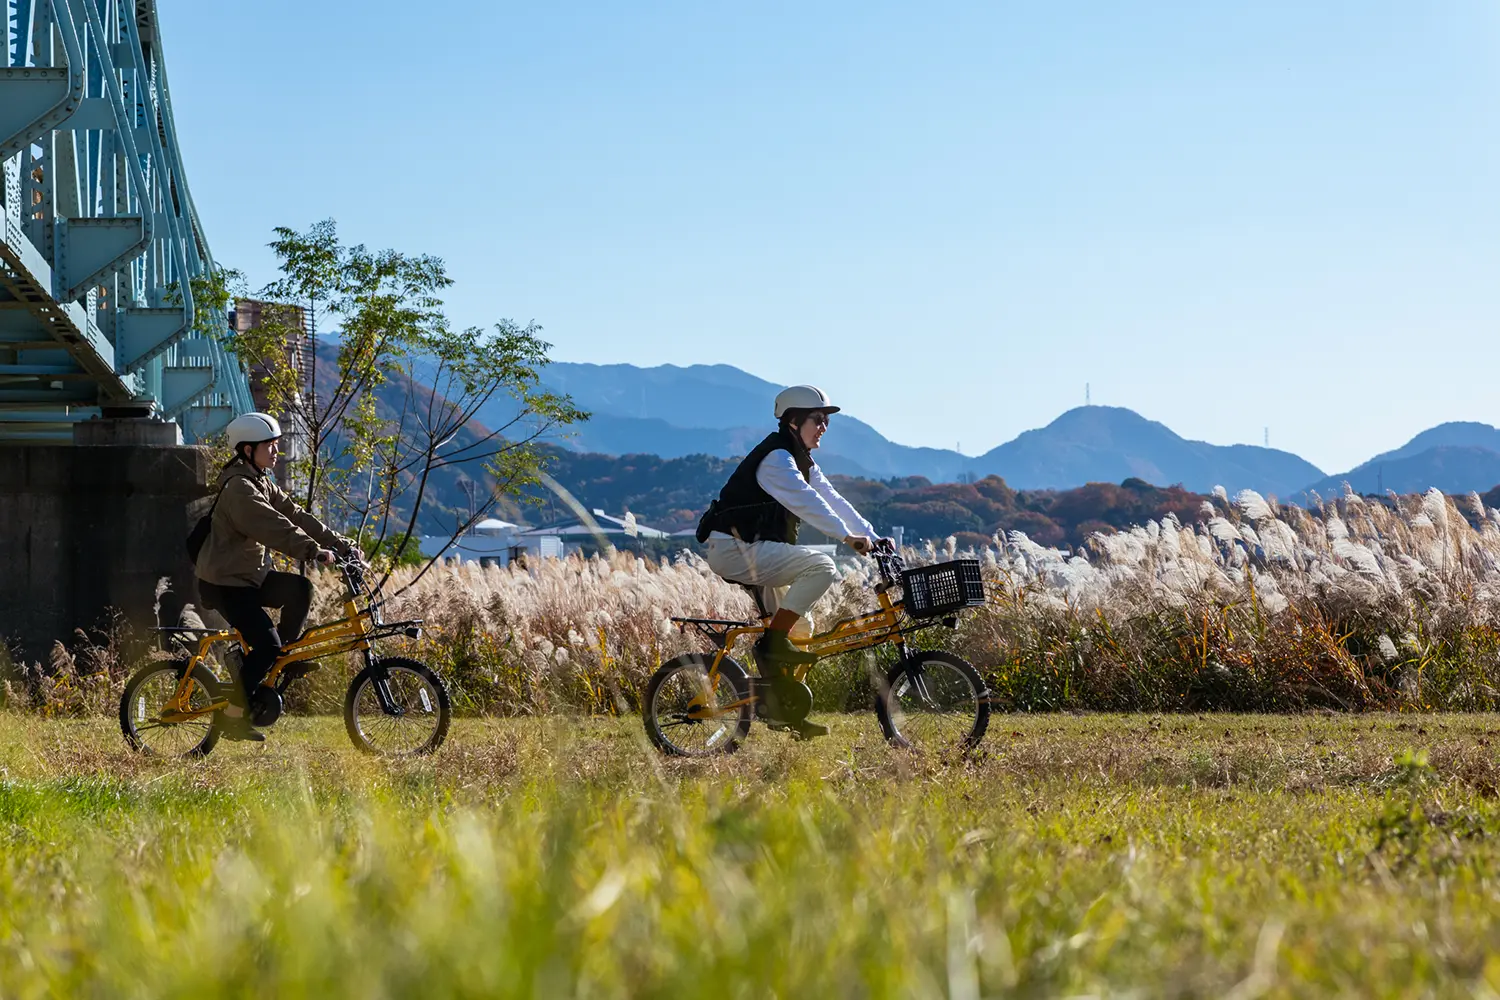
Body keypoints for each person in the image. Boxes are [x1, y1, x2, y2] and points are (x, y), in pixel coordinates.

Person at [695, 385, 883, 738]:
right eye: (818, 418)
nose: (824, 426)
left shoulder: (802, 460)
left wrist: (871, 535)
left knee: (802, 629)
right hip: (738, 549)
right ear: (794, 421)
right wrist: (846, 537)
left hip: (756, 552)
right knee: (822, 566)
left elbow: (832, 499)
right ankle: (770, 644)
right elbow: (807, 501)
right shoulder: (777, 460)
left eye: (827, 420)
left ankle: (782, 709)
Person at [194, 412, 353, 741]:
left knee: (300, 589)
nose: (276, 451)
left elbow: (294, 514)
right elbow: (275, 527)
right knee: (266, 645)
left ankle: (286, 657)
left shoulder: (260, 480)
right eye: (270, 445)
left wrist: (339, 544)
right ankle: (233, 715)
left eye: (277, 444)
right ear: (248, 450)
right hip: (225, 583)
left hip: (249, 576)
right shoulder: (239, 489)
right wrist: (314, 551)